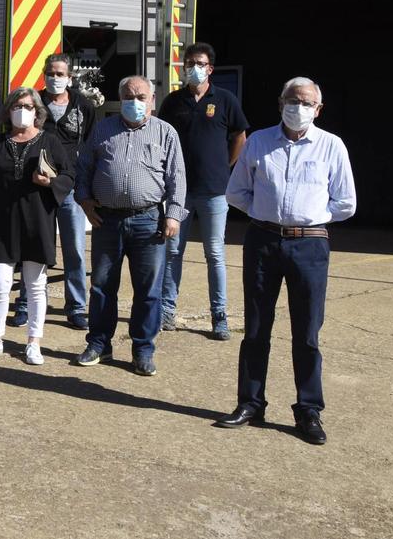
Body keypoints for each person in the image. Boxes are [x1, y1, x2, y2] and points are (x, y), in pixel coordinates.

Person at [218, 77, 356, 445]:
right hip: (262, 241)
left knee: (307, 332)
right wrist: (268, 216)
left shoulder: (331, 146)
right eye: (293, 100)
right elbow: (236, 193)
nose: (299, 107)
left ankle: (308, 409)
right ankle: (250, 402)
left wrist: (307, 218)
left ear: (319, 109)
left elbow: (345, 202)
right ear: (280, 103)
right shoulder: (259, 142)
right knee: (256, 327)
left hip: (309, 245)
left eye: (307, 102)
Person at [74, 75, 187, 376]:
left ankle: (143, 349)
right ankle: (99, 344)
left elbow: (177, 178)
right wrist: (85, 201)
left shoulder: (166, 133)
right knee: (101, 286)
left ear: (152, 100)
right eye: (128, 96)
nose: (134, 102)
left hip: (148, 220)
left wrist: (174, 215)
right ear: (120, 99)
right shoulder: (102, 129)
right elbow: (84, 167)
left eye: (141, 97)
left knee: (148, 290)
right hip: (106, 220)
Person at [0, 88, 74, 365]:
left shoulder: (50, 142)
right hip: (2, 223)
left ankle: (34, 341)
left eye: (28, 106)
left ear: (37, 112)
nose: (23, 110)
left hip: (37, 221)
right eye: (17, 106)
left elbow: (68, 175)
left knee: (35, 285)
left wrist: (50, 183)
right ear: (8, 111)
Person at [157, 42, 249, 339]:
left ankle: (219, 316)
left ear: (209, 68)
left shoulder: (224, 99)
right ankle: (167, 311)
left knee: (215, 254)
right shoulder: (173, 102)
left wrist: (225, 166)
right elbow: (161, 140)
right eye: (188, 62)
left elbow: (240, 136)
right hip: (178, 192)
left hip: (214, 192)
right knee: (173, 252)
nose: (192, 68)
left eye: (198, 63)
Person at [13, 52, 98, 330]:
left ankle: (75, 308)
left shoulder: (83, 106)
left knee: (73, 250)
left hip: (70, 189)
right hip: (38, 189)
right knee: (34, 248)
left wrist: (87, 184)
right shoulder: (34, 104)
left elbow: (92, 145)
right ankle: (25, 304)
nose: (55, 78)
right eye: (50, 72)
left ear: (70, 77)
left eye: (60, 74)